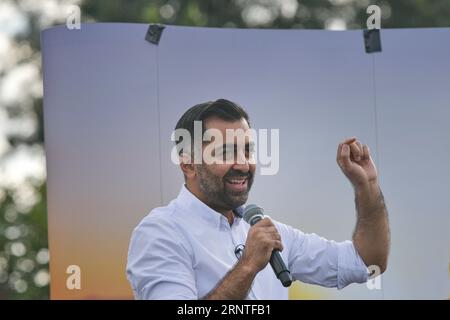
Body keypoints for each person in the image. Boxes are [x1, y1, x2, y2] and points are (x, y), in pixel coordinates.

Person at [126, 98, 390, 299]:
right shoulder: (160, 232)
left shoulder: (264, 230)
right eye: (226, 152)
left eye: (248, 151)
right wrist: (249, 266)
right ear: (188, 165)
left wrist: (367, 186)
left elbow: (367, 262)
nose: (243, 164)